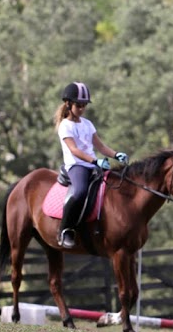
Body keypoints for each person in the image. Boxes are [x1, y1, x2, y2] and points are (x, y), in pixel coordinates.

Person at [53, 82, 128, 249]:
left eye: (84, 105)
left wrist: (116, 154)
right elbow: (73, 150)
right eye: (78, 105)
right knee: (79, 192)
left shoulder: (87, 124)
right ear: (68, 104)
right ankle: (65, 229)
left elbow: (100, 146)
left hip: (93, 165)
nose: (82, 109)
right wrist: (95, 161)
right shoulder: (65, 126)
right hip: (76, 166)